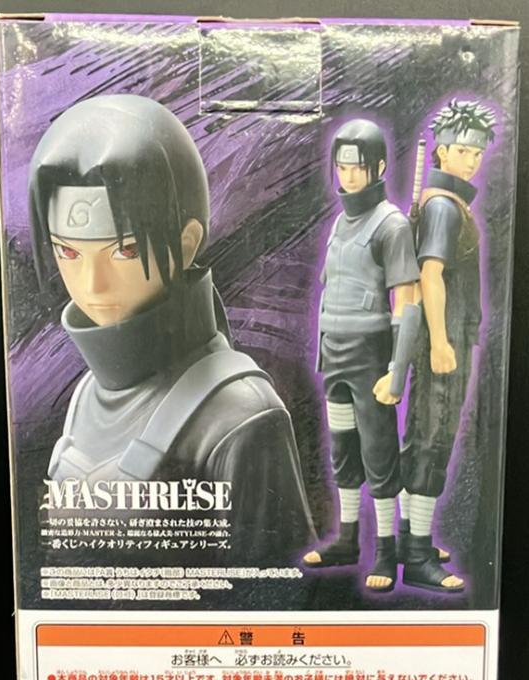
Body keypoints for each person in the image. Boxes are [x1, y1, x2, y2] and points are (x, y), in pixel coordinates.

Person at [28, 94, 314, 564]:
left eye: (124, 251)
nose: (92, 284)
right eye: (69, 252)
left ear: (186, 244)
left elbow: (274, 592)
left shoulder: (241, 414)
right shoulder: (85, 395)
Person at [303, 119, 421, 592]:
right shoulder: (340, 222)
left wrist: (396, 370)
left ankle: (387, 549)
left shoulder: (391, 225)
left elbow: (407, 304)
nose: (348, 176)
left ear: (378, 167)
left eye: (357, 167)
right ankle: (348, 539)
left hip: (370, 355)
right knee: (343, 451)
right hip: (334, 352)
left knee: (378, 454)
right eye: (342, 166)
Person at [398, 99, 497, 593]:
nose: (472, 161)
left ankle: (410, 538)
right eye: (462, 151)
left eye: (477, 154)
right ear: (441, 152)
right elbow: (430, 275)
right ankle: (416, 557)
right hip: (446, 338)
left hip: (450, 335)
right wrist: (440, 341)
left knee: (425, 435)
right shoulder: (442, 207)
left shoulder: (445, 202)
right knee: (433, 440)